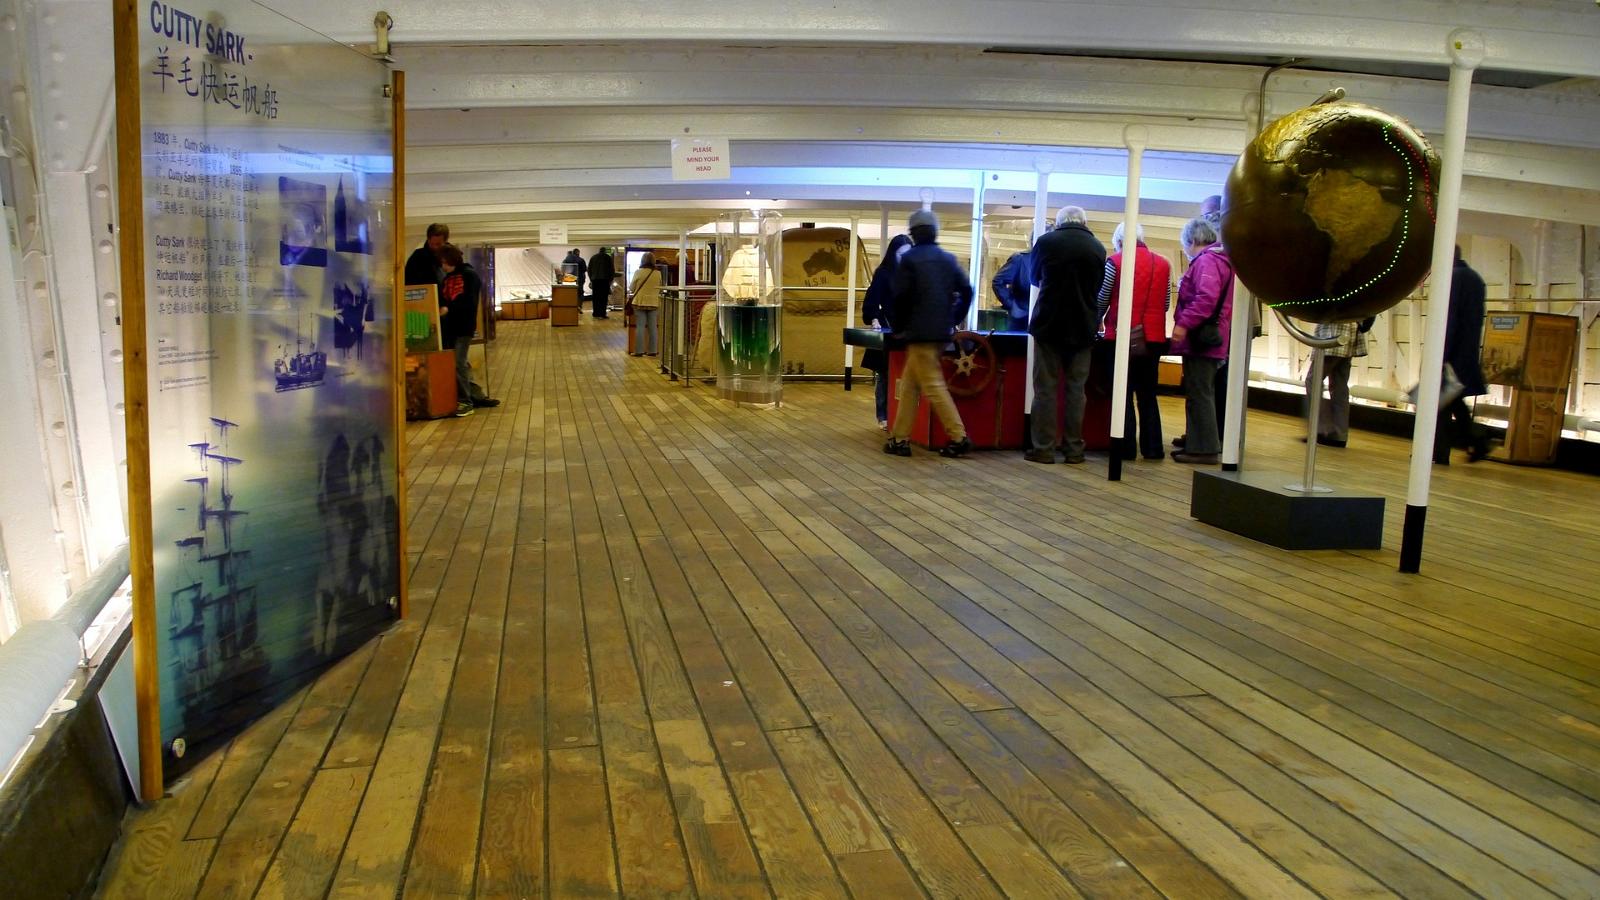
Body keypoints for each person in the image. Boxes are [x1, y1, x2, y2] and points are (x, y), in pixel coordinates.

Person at [884, 209, 975, 459]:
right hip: (940, 333)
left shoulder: (910, 260)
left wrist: (898, 327)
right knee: (910, 385)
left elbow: (900, 298)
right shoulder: (948, 259)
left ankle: (959, 437)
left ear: (913, 234)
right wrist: (953, 317)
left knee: (933, 386)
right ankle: (899, 439)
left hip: (918, 333)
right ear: (935, 232)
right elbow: (967, 291)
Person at [1025, 206, 1106, 464]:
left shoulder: (1046, 242)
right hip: (1083, 326)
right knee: (1076, 390)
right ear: (1084, 222)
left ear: (1059, 222)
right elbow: (1098, 286)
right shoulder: (1097, 247)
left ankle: (1043, 448)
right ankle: (1073, 449)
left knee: (1045, 389)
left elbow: (1034, 278)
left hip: (1049, 324)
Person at [1097, 222, 1171, 460]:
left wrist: (1097, 319)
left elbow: (1103, 298)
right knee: (1148, 394)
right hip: (1153, 338)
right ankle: (1153, 448)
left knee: (1123, 394)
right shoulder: (1164, 264)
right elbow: (1166, 303)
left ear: (1119, 241)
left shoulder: (1115, 262)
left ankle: (1125, 448)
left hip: (1121, 337)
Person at [1169, 217, 1233, 464]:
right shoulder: (1222, 260)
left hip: (1201, 339)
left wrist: (1183, 324)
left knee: (1199, 394)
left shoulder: (1206, 261)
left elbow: (1206, 298)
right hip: (1214, 338)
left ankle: (1204, 449)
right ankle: (1198, 442)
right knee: (1203, 392)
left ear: (1193, 240)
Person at [1436, 246, 1492, 463]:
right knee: (1453, 401)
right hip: (1466, 351)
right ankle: (1476, 442)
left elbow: (1449, 319)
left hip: (1450, 353)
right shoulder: (1475, 278)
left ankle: (1439, 451)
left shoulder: (1452, 279)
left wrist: (1440, 355)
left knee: (1439, 402)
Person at [437, 243, 500, 416]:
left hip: (463, 326)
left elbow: (469, 302)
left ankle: (466, 401)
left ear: (450, 260)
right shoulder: (448, 278)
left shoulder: (469, 275)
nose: (442, 265)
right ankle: (474, 396)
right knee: (460, 363)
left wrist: (448, 309)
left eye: (444, 261)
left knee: (459, 362)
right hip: (450, 327)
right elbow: (444, 298)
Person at [861, 234, 912, 428]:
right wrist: (873, 317)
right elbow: (872, 299)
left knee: (903, 372)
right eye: (901, 255)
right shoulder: (884, 273)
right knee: (885, 373)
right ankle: (883, 414)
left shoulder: (913, 274)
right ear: (893, 254)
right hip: (889, 327)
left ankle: (901, 415)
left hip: (908, 329)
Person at [1304, 318, 1370, 448]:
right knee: (1339, 387)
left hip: (1332, 333)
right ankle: (1339, 435)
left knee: (1313, 380)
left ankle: (1323, 430)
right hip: (1350, 333)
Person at [628, 252, 663, 356]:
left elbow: (631, 288)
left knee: (640, 327)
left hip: (640, 302)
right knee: (653, 328)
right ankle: (652, 351)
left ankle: (639, 351)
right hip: (654, 302)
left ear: (642, 260)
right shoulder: (658, 273)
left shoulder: (638, 272)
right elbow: (661, 288)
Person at [991, 249, 1032, 331]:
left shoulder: (1053, 259)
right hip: (1021, 316)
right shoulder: (1020, 258)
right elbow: (998, 281)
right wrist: (1012, 304)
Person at [404, 223, 448, 288]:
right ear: (428, 239)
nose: (435, 247)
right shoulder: (417, 258)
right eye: (431, 244)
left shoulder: (451, 257)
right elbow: (408, 284)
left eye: (438, 244)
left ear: (445, 241)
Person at [587, 247, 616, 318]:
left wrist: (591, 279)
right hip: (605, 280)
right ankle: (602, 314)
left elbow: (589, 269)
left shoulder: (593, 257)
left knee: (595, 297)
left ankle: (595, 313)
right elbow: (612, 270)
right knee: (603, 298)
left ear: (599, 251)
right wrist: (610, 280)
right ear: (605, 251)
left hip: (595, 280)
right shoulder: (608, 258)